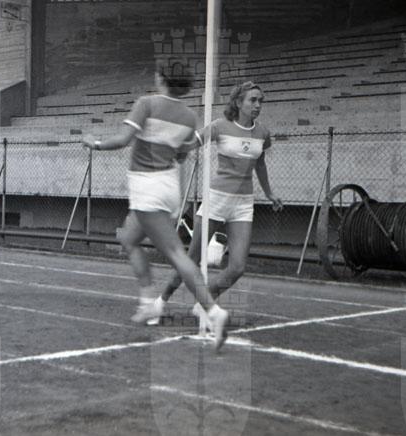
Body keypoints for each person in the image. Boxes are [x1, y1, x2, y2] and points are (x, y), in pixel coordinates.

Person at [82, 60, 229, 350]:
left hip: (147, 186)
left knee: (176, 254)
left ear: (162, 78)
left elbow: (123, 140)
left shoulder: (146, 103)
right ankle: (148, 302)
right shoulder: (189, 116)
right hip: (167, 185)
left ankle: (213, 311)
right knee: (129, 239)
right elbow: (182, 155)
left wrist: (94, 143)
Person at [155, 81, 283, 329]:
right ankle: (161, 301)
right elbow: (192, 142)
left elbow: (260, 164)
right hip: (217, 199)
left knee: (237, 267)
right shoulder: (220, 126)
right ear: (238, 102)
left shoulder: (263, 133)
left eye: (260, 101)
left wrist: (270, 193)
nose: (258, 105)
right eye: (253, 100)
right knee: (191, 258)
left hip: (243, 204)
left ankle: (205, 302)